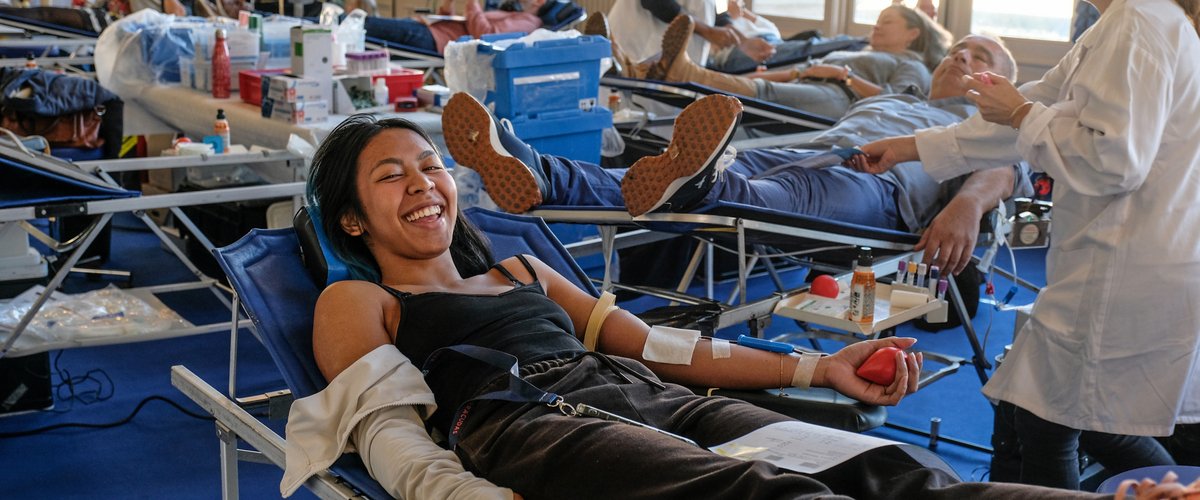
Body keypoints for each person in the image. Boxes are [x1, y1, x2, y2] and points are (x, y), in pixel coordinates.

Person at [284, 109, 1126, 500]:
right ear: (352, 218)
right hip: (530, 422)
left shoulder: (519, 271)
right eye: (392, 177)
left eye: (430, 168)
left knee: (896, 473)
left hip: (648, 396)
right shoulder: (361, 297)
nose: (425, 186)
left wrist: (817, 364)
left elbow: (661, 348)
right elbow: (385, 428)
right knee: (769, 498)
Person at [853, 0, 1200, 490]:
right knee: (1051, 414)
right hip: (1128, 257)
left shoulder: (1138, 20)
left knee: (1051, 419)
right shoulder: (1126, 23)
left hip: (1123, 265)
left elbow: (1114, 161)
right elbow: (1038, 105)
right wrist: (910, 146)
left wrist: (1020, 113)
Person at [448, 33, 1024, 276]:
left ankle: (694, 182)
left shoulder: (987, 126)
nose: (960, 57)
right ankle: (540, 171)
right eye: (958, 49)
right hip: (812, 150)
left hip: (874, 193)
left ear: (997, 82)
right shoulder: (902, 94)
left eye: (978, 56)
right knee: (656, 175)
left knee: (753, 195)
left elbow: (1006, 169)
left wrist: (968, 206)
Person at [630, 7, 949, 119]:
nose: (876, 27)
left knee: (764, 92)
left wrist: (845, 76)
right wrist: (783, 73)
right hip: (814, 85)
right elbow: (805, 72)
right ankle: (638, 71)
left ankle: (685, 73)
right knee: (764, 84)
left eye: (887, 22)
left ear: (912, 34)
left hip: (842, 100)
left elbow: (899, 101)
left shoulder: (913, 64)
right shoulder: (859, 51)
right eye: (878, 20)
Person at [333, 0, 543, 55]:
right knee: (363, 26)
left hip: (434, 40)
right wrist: (449, 5)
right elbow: (457, 20)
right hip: (430, 28)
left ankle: (320, 18)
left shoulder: (529, 22)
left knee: (362, 24)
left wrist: (471, 2)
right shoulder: (509, 12)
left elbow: (486, 35)